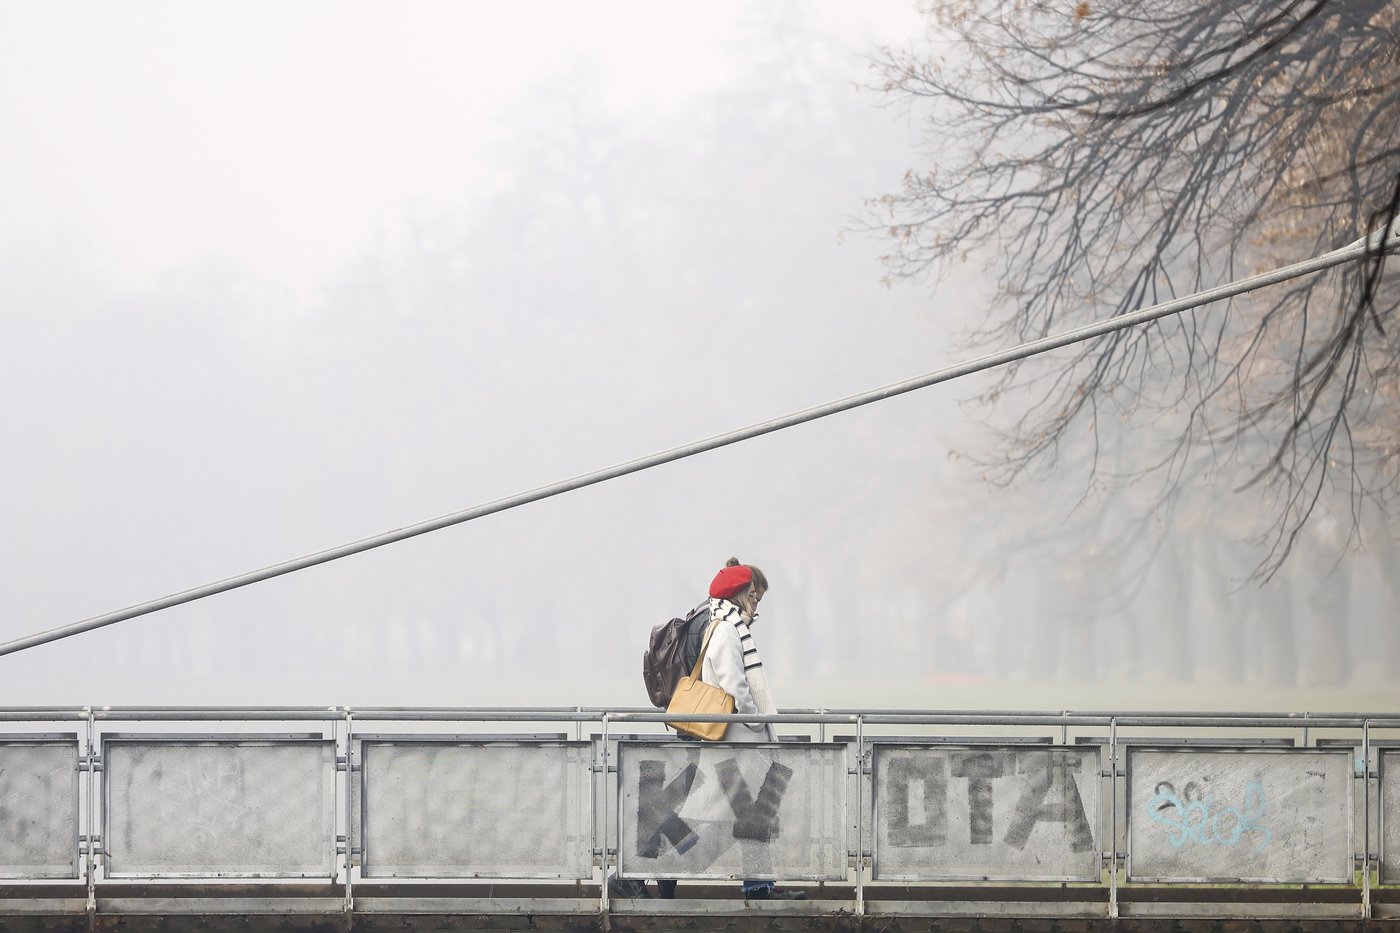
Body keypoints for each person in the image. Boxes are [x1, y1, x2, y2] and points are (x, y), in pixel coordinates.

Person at [656, 557, 806, 902]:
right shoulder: (727, 628)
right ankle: (659, 867)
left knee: (748, 816)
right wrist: (755, 720)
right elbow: (734, 685)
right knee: (735, 816)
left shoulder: (729, 624)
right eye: (754, 597)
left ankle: (757, 885)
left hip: (738, 742)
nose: (756, 605)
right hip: (737, 742)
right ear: (741, 593)